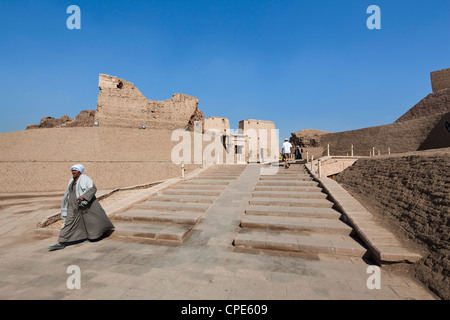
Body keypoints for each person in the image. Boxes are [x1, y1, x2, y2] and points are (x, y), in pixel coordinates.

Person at [48, 164, 115, 251]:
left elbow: (93, 189)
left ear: (80, 171)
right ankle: (61, 242)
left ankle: (102, 232)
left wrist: (83, 196)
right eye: (72, 170)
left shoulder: (86, 179)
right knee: (69, 222)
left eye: (75, 170)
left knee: (94, 220)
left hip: (85, 204)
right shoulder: (71, 181)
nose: (73, 171)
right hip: (73, 205)